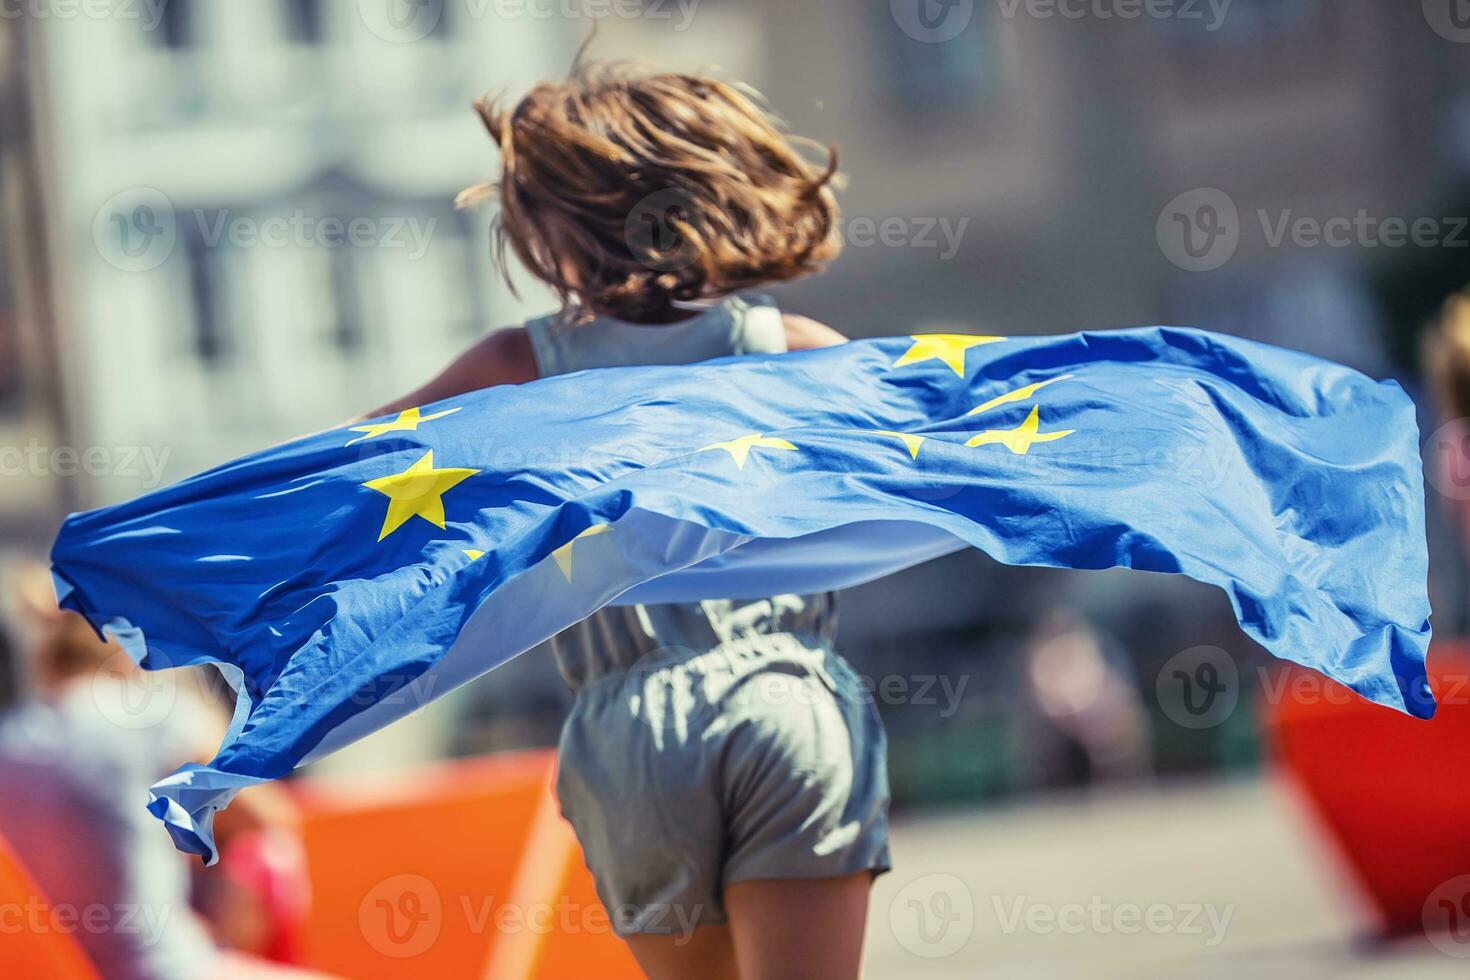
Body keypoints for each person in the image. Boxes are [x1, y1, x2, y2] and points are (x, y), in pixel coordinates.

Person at [371, 62, 890, 980]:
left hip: (632, 731)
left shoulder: (516, 366)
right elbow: (929, 461)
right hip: (791, 697)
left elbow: (351, 481)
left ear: (551, 228)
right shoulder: (796, 351)